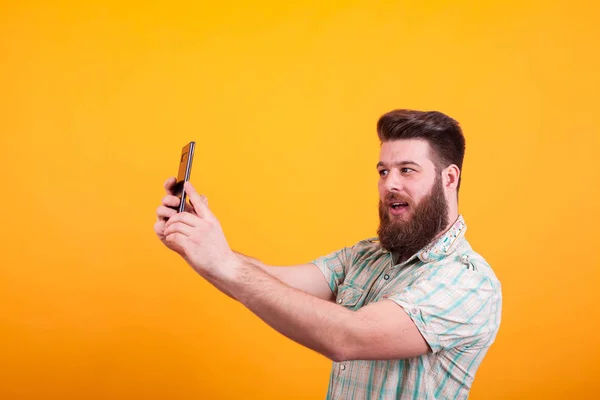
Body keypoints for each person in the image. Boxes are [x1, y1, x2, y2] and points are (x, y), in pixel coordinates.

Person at [153, 109, 502, 400]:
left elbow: (348, 336)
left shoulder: (468, 282)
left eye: (407, 170)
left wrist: (224, 262)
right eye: (383, 171)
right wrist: (201, 244)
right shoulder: (368, 256)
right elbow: (274, 283)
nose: (389, 184)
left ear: (449, 178)